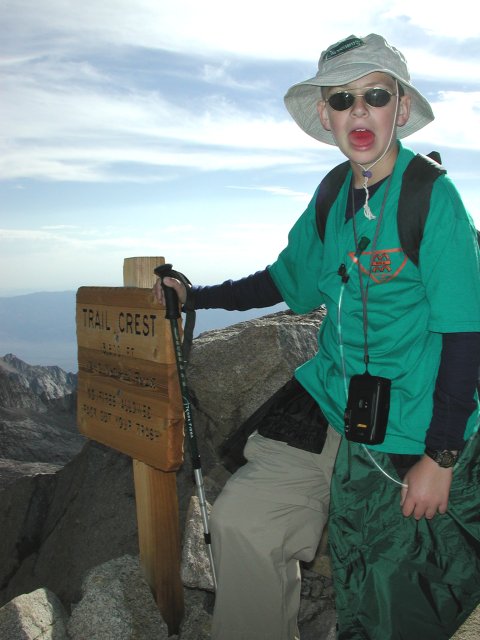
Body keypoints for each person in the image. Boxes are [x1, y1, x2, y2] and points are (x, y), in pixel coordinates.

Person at [155, 34, 480, 640]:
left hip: (412, 418)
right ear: (327, 115)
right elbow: (285, 280)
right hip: (331, 404)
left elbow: (465, 334)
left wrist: (440, 458)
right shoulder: (333, 194)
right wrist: (193, 296)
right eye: (342, 98)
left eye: (375, 95)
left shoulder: (433, 199)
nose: (359, 111)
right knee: (240, 525)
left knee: (392, 592)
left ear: (400, 110)